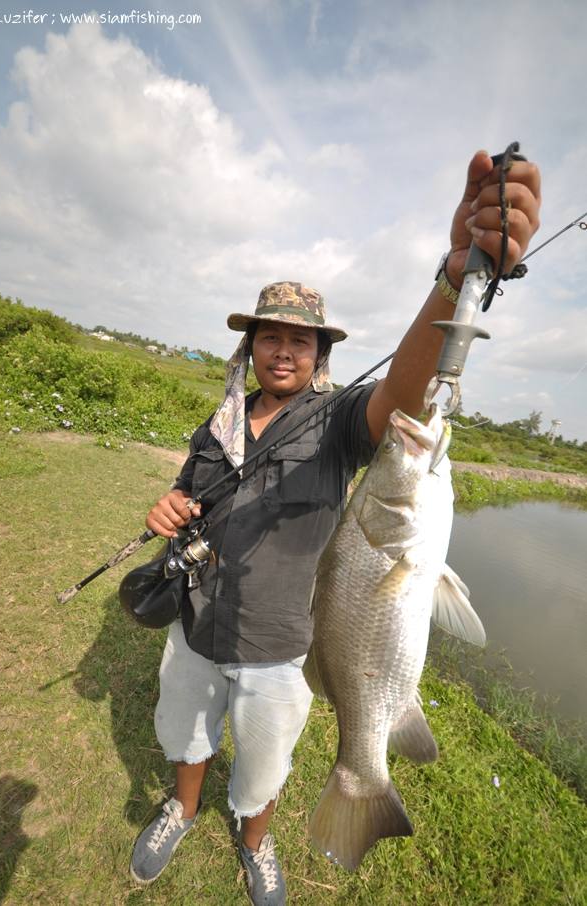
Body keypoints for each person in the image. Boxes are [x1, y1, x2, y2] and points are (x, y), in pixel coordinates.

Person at [129, 150, 541, 904]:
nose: (282, 349)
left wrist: (454, 279)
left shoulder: (342, 424)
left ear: (319, 354)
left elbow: (406, 390)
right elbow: (186, 492)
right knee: (186, 736)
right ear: (251, 348)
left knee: (263, 766)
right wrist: (167, 509)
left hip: (283, 648)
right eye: (269, 337)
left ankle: (257, 844)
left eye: (300, 340)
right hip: (195, 624)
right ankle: (180, 807)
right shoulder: (218, 421)